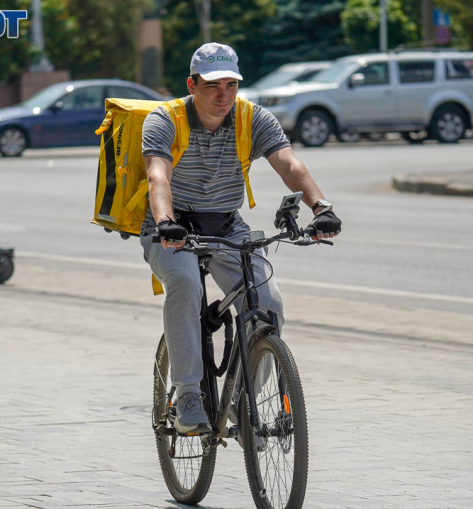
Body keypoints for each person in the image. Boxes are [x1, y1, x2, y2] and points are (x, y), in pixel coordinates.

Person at [141, 43, 342, 435]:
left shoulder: (253, 118)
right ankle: (187, 396)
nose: (223, 95)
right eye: (214, 85)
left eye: (231, 85)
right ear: (192, 84)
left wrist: (321, 207)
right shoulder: (164, 119)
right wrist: (165, 221)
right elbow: (157, 175)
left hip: (227, 226)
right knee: (184, 284)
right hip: (173, 228)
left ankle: (245, 394)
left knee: (267, 301)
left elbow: (287, 162)